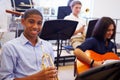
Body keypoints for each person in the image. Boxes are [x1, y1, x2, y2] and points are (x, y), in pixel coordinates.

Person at [0, 9, 57, 80]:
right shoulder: (10, 47)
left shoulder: (48, 45)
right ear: (23, 22)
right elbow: (5, 78)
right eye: (31, 22)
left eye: (39, 23)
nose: (35, 26)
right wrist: (37, 77)